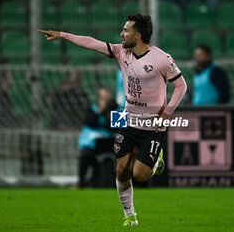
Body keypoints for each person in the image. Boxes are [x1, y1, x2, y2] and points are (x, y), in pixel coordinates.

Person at [39, 14, 187, 226]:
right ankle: (130, 215)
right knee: (121, 169)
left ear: (137, 35)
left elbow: (181, 86)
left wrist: (166, 114)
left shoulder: (162, 59)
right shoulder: (121, 52)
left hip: (152, 124)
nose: (121, 33)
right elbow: (93, 43)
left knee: (141, 175)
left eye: (125, 30)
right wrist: (63, 35)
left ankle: (155, 161)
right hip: (126, 118)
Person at [77, 87, 118, 188]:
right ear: (99, 99)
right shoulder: (92, 109)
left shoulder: (115, 112)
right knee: (85, 156)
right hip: (91, 143)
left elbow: (116, 128)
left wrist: (110, 113)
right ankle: (81, 182)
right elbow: (90, 122)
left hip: (108, 142)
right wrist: (101, 110)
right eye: (104, 99)